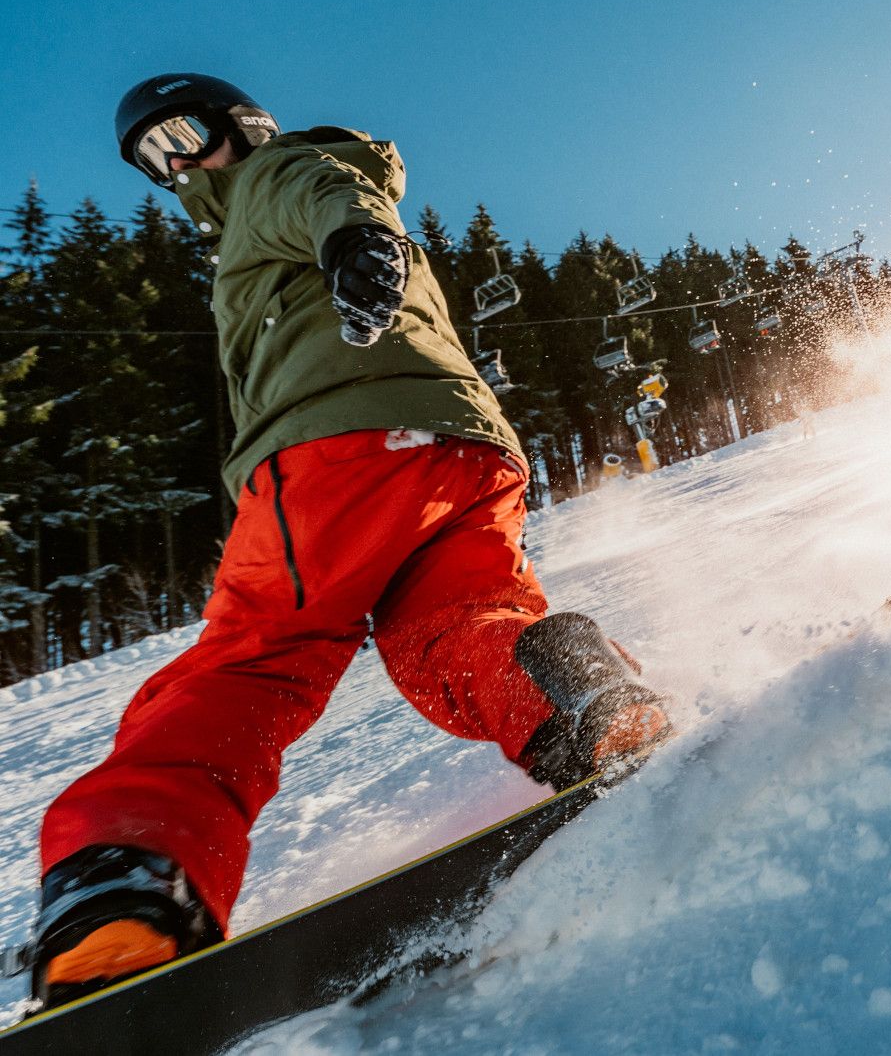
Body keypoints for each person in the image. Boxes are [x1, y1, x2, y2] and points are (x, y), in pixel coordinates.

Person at [28, 74, 671, 1008]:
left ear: (243, 125)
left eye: (183, 136)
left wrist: (356, 240)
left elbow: (326, 193)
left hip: (336, 449)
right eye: (155, 160)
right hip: (459, 449)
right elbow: (341, 198)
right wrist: (354, 241)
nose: (179, 167)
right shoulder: (286, 197)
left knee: (254, 662)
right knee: (452, 632)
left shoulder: (275, 173)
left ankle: (126, 884)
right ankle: (581, 698)